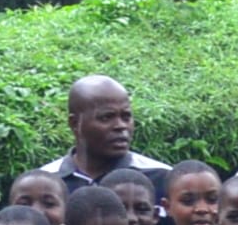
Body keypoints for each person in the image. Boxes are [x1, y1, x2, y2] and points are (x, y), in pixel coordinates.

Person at [34, 74, 172, 196]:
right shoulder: (44, 183)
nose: (121, 126)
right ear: (75, 123)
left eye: (126, 117)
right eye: (107, 117)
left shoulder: (162, 178)